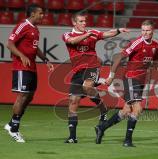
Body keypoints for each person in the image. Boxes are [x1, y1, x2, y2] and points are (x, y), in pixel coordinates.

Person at [95, 20, 158, 147]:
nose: (145, 33)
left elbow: (156, 64)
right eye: (143, 30)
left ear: (153, 31)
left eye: (147, 30)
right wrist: (111, 76)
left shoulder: (155, 46)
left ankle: (102, 127)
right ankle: (127, 141)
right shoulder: (137, 43)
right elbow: (119, 57)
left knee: (126, 111)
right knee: (138, 108)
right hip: (131, 78)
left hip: (140, 80)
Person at [62, 12, 129, 143]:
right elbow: (72, 41)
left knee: (86, 86)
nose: (84, 23)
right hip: (77, 72)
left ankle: (102, 106)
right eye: (81, 21)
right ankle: (72, 137)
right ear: (74, 23)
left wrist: (118, 30)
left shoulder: (92, 32)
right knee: (73, 102)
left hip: (92, 67)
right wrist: (85, 35)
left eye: (84, 21)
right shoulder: (67, 34)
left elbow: (106, 34)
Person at [4, 3, 54, 143]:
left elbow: (35, 47)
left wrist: (45, 59)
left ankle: (11, 123)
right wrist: (21, 56)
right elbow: (9, 44)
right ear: (33, 14)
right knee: (22, 95)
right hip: (21, 66)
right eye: (41, 13)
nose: (43, 16)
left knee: (29, 96)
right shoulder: (22, 26)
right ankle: (14, 129)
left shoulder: (35, 29)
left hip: (32, 67)